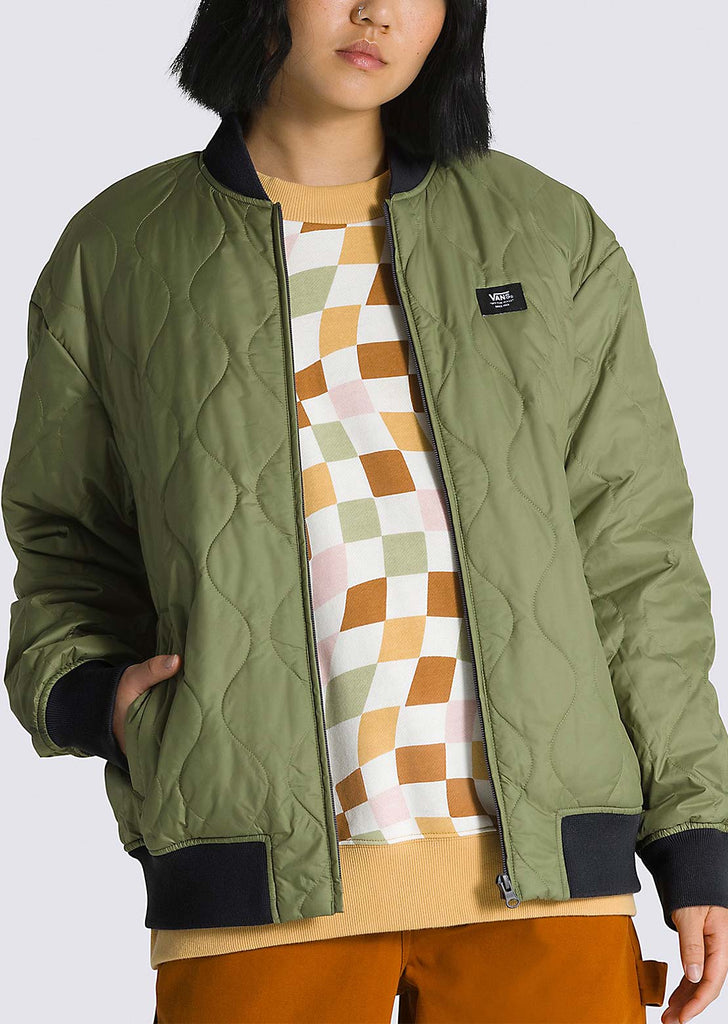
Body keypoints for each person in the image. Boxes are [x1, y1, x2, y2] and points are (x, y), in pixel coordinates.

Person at [3, 1, 728, 1021]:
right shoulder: (121, 248)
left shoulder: (548, 232)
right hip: (253, 882)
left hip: (547, 882)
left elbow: (632, 554)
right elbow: (65, 540)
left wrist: (694, 830)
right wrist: (99, 698)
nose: (376, 11)